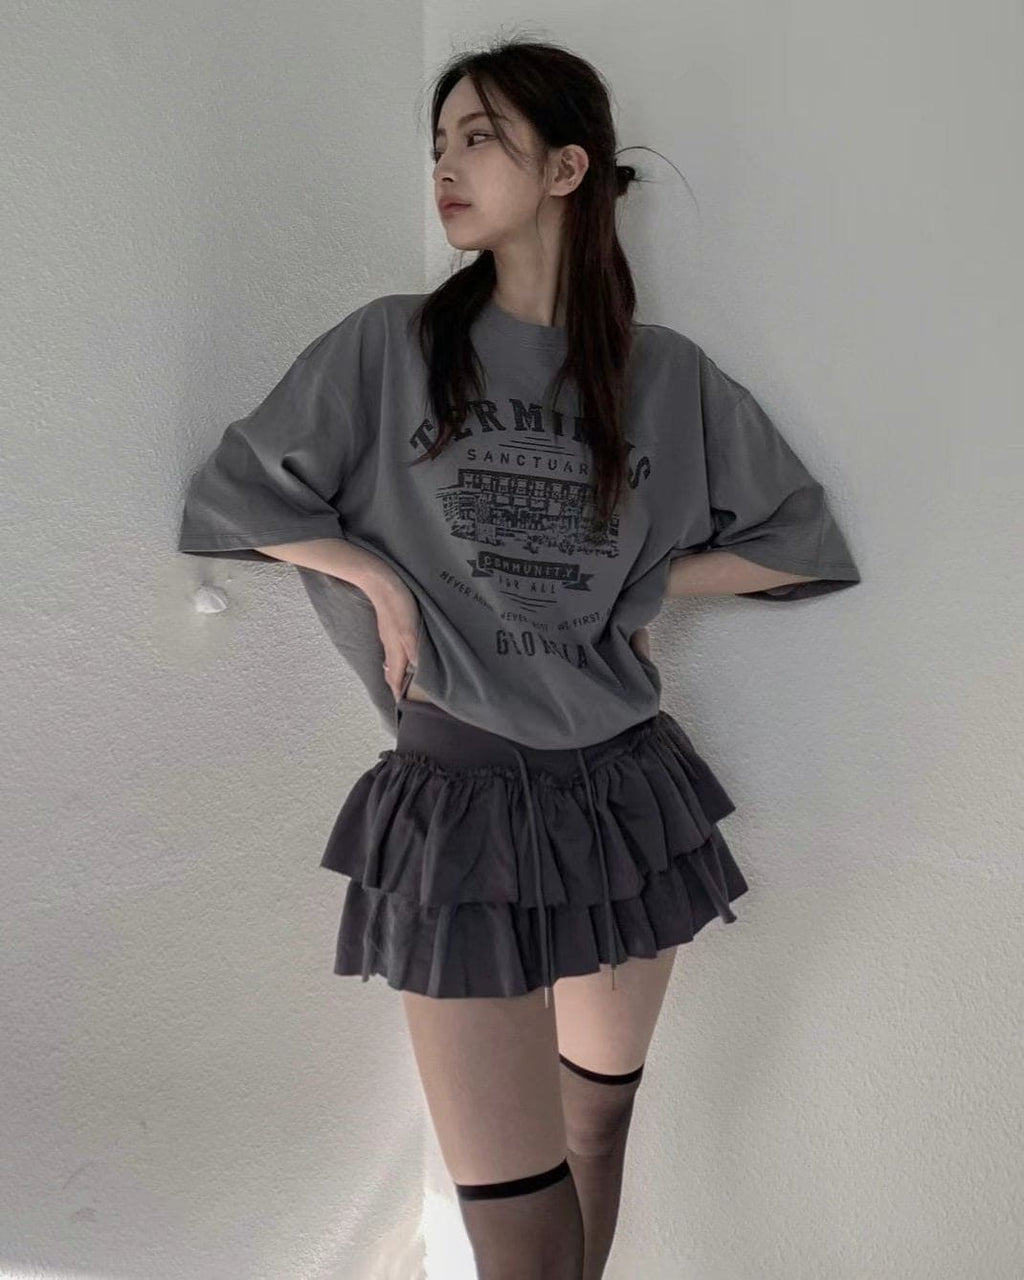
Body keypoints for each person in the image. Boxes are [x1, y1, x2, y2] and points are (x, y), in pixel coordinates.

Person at [176, 36, 861, 1280]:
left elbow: (799, 542)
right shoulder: (388, 347)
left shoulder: (665, 376)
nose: (445, 166)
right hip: (462, 800)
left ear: (565, 168)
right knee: (521, 1235)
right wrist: (373, 573)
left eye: (478, 138)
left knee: (596, 1129)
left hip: (624, 795)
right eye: (438, 144)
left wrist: (654, 579)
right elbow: (232, 496)